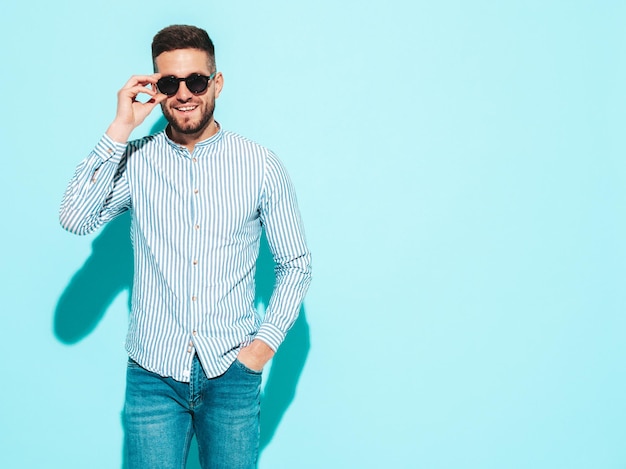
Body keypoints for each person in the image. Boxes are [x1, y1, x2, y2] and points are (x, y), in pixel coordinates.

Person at [59, 24, 312, 469]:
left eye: (196, 80)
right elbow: (75, 218)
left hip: (232, 373)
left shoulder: (260, 164)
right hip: (153, 374)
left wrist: (260, 350)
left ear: (216, 82)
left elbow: (296, 264)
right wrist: (120, 126)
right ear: (155, 88)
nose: (184, 94)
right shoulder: (137, 161)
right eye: (169, 82)